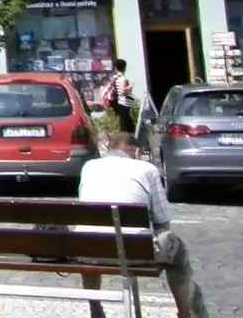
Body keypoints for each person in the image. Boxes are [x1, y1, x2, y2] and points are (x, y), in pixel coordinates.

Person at [78, 131, 208, 318]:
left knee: (91, 240)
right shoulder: (146, 169)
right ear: (136, 152)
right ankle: (184, 313)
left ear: (109, 148)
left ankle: (95, 309)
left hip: (89, 251)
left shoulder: (89, 167)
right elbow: (163, 221)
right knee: (176, 250)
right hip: (134, 253)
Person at [99, 59, 137, 135]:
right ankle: (125, 140)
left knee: (126, 124)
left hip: (121, 103)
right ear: (124, 68)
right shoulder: (122, 78)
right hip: (124, 103)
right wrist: (130, 86)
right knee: (126, 125)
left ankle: (127, 139)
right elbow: (123, 91)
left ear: (116, 68)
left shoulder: (115, 77)